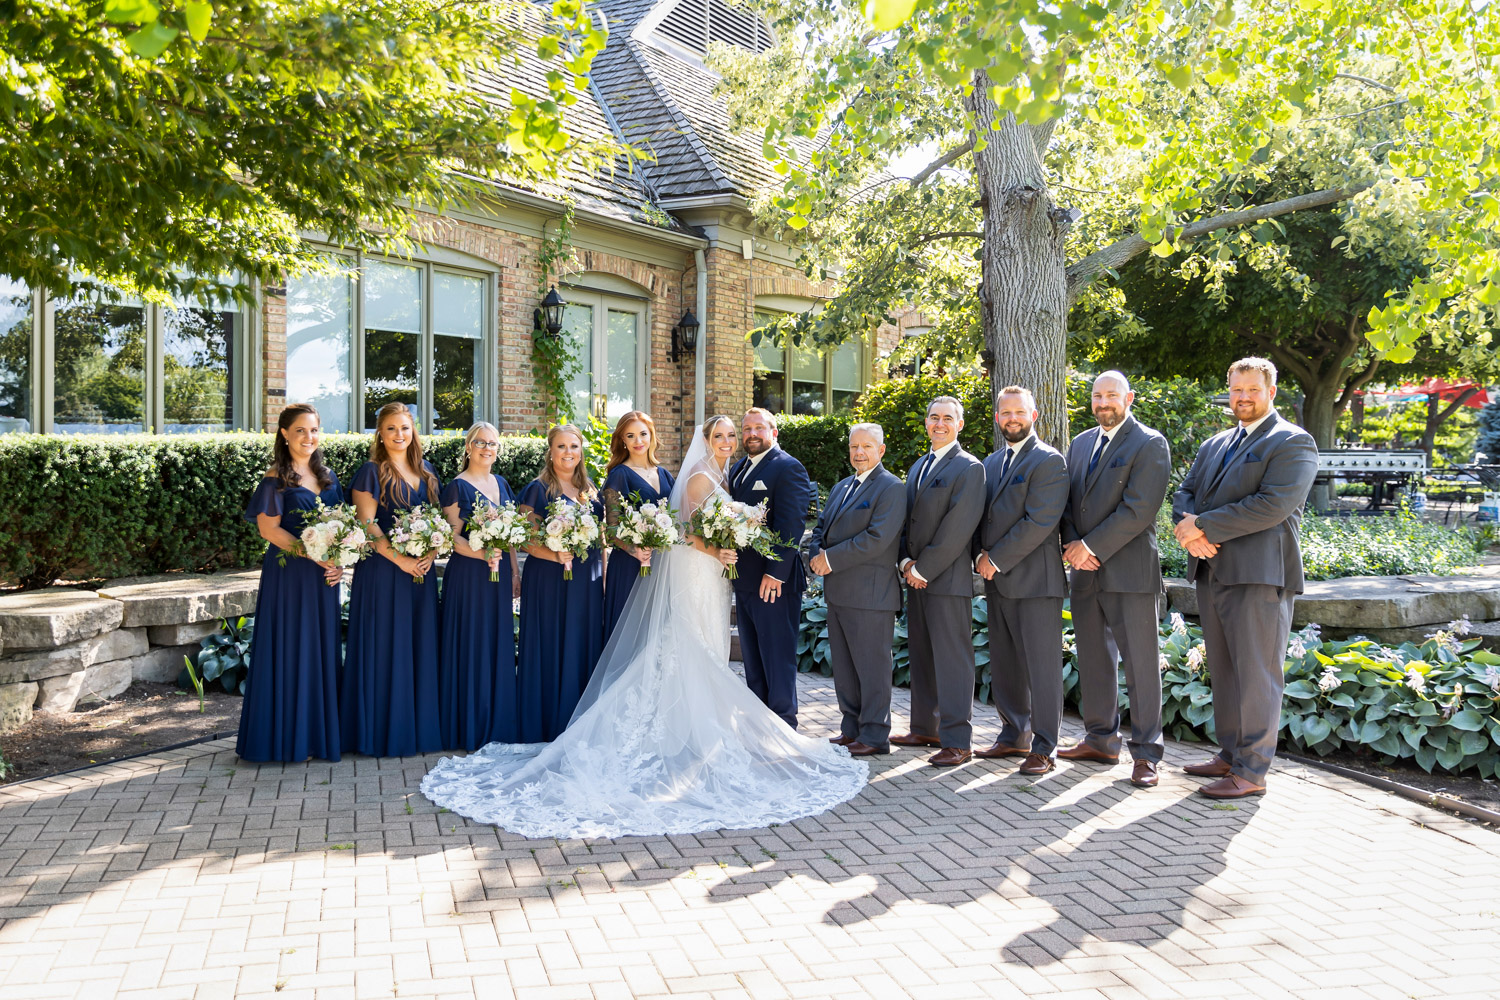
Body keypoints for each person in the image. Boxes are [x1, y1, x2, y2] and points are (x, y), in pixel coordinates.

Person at [420, 418, 868, 838]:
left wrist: (729, 541)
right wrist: (701, 550)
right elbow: (662, 527)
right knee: (682, 647)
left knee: (701, 649)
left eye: (735, 436)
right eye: (722, 437)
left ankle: (700, 727)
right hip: (688, 568)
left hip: (705, 573)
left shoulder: (695, 477)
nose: (729, 443)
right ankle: (681, 728)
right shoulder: (658, 478)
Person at [1172, 357, 1317, 799]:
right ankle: (1231, 754)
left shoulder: (1293, 441)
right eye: (1237, 390)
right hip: (1213, 570)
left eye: (1252, 389)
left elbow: (1272, 504)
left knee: (1257, 674)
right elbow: (1186, 491)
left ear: (1271, 392)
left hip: (1259, 575)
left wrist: (1203, 527)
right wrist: (1187, 527)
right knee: (1226, 670)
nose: (1243, 397)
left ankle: (1252, 772)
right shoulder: (1215, 443)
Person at [1057, 372, 1172, 788]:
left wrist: (1091, 546)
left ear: (1129, 398)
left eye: (1112, 395)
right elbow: (1067, 503)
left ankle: (1146, 754)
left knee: (1141, 665)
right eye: (1097, 396)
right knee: (1093, 660)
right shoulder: (1081, 443)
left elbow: (1139, 509)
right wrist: (1073, 545)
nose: (1104, 402)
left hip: (1130, 572)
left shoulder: (1149, 443)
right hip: (1084, 573)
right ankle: (1101, 739)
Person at [236, 403, 344, 763]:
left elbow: (343, 529)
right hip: (290, 576)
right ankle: (285, 739)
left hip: (324, 578)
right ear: (284, 434)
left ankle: (315, 737)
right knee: (291, 647)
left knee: (321, 651)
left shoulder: (327, 477)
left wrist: (340, 564)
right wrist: (313, 553)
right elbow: (269, 529)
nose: (308, 437)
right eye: (300, 431)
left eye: (313, 430)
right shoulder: (275, 478)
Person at [972, 386, 1069, 775]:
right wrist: (979, 554)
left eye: (1020, 412)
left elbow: (1039, 522)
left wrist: (994, 558)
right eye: (1005, 413)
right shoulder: (991, 463)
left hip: (1035, 582)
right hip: (997, 580)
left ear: (1034, 416)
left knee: (1041, 666)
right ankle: (1014, 733)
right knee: (1007, 661)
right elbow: (980, 516)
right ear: (998, 418)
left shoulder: (1049, 461)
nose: (1012, 418)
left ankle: (1045, 745)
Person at [342, 402, 444, 757]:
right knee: (386, 644)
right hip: (384, 573)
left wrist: (432, 552)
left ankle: (417, 729)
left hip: (421, 574)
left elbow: (438, 521)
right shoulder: (371, 472)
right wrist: (400, 560)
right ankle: (379, 732)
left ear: (413, 430)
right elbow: (366, 524)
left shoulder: (428, 471)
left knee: (417, 644)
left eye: (405, 427)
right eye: (391, 429)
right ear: (380, 435)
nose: (399, 435)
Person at [894, 396, 986, 766]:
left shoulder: (969, 468)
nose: (940, 423)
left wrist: (923, 569)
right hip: (915, 576)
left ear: (959, 425)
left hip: (945, 580)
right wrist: (904, 562)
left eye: (948, 418)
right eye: (934, 417)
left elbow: (958, 528)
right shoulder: (918, 466)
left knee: (952, 660)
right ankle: (925, 728)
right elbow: (905, 520)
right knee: (922, 655)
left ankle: (958, 740)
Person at [806, 422, 906, 756]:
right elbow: (820, 528)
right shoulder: (841, 487)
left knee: (872, 667)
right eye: (853, 447)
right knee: (846, 666)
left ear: (881, 450)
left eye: (866, 447)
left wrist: (829, 560)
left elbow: (877, 539)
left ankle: (875, 735)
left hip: (871, 595)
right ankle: (851, 728)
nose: (859, 453)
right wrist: (815, 554)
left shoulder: (891, 488)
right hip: (839, 593)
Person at [515, 424, 606, 742]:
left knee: (582, 643)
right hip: (550, 580)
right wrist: (556, 556)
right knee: (552, 643)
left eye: (574, 446)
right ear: (550, 452)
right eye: (561, 447)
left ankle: (581, 723)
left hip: (587, 582)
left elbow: (600, 539)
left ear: (581, 451)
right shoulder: (536, 490)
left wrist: (603, 578)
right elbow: (525, 539)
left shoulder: (591, 490)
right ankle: (548, 724)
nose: (568, 452)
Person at [727, 408, 814, 729]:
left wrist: (775, 573)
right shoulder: (738, 470)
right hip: (746, 580)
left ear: (773, 432)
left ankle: (783, 723)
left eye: (759, 428)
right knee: (753, 658)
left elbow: (791, 523)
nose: (752, 434)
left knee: (777, 657)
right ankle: (761, 723)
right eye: (747, 428)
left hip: (774, 581)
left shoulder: (788, 467)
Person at [437, 422, 520, 752]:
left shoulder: (502, 484)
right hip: (469, 577)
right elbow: (450, 536)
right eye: (481, 442)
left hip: (498, 578)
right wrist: (483, 551)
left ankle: (497, 722)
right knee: (471, 643)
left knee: (496, 642)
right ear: (468, 447)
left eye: (494, 443)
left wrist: (514, 572)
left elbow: (511, 535)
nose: (488, 448)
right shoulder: (456, 487)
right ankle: (467, 724)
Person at [601, 410, 675, 641]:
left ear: (652, 435)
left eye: (643, 434)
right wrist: (635, 551)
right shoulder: (619, 475)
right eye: (630, 436)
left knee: (657, 632)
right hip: (628, 565)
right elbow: (611, 530)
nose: (638, 441)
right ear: (622, 440)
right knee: (629, 634)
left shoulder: (665, 474)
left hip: (661, 564)